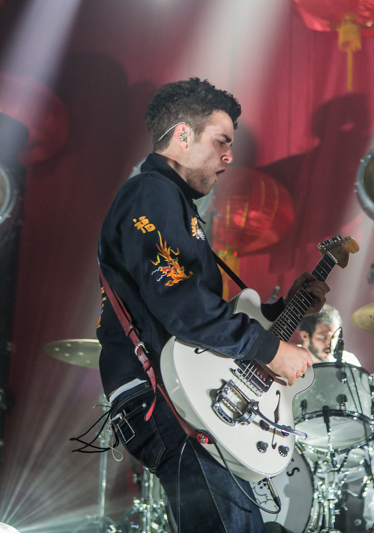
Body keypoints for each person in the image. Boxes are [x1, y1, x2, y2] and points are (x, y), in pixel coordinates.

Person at [96, 78, 328, 532]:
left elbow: (194, 309)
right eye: (221, 141)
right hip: (163, 394)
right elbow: (182, 305)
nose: (229, 156)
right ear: (183, 135)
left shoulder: (172, 202)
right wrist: (270, 350)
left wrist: (283, 311)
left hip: (184, 394)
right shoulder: (152, 194)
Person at [296, 304, 374, 530]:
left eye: (335, 337)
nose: (330, 344)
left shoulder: (348, 360)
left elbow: (362, 404)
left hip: (345, 448)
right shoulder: (292, 358)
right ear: (305, 336)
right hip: (303, 448)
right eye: (323, 337)